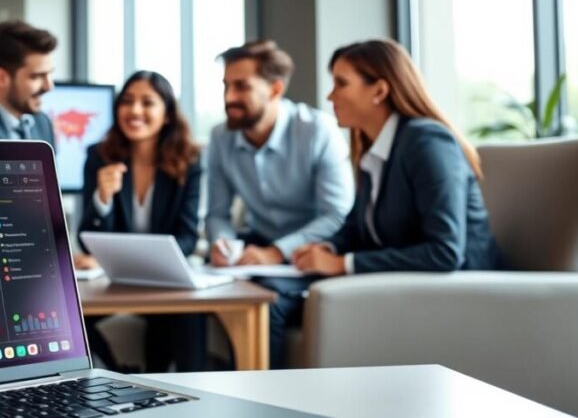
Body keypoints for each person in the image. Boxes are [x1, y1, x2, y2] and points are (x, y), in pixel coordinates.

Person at [291, 39, 500, 276]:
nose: (330, 96)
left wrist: (342, 264)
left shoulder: (427, 142)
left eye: (341, 84)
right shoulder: (377, 150)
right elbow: (357, 228)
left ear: (379, 91)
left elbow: (445, 252)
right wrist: (328, 248)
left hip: (464, 290)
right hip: (403, 287)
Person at [204, 39, 354, 368]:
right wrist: (223, 242)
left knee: (263, 301)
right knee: (198, 292)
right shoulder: (220, 138)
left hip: (312, 253)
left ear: (274, 89)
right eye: (226, 85)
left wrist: (276, 251)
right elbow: (217, 214)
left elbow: (337, 214)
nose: (229, 97)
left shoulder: (317, 130)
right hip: (256, 247)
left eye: (241, 87)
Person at [76, 71, 205, 372]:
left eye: (147, 103)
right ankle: (118, 375)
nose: (135, 111)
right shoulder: (99, 157)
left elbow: (187, 238)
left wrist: (147, 262)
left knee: (191, 317)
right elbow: (87, 237)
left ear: (167, 114)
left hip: (165, 283)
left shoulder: (190, 161)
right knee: (69, 321)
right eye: (127, 102)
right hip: (114, 284)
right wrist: (103, 199)